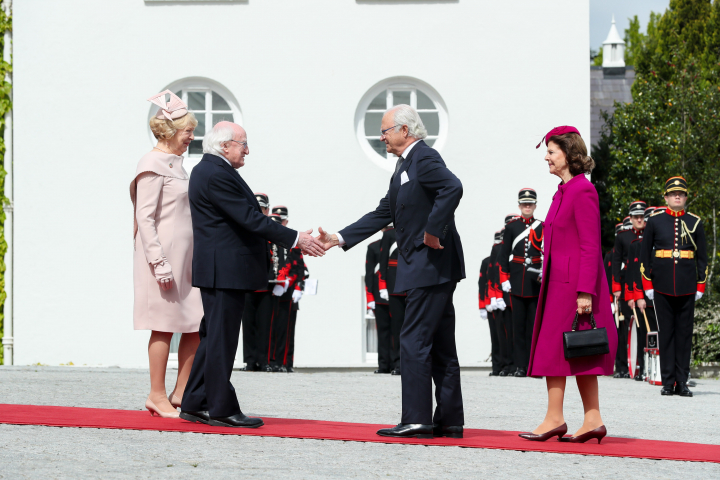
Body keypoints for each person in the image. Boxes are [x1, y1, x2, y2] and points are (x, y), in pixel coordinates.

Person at [318, 104, 466, 439]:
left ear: (405, 130)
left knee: (413, 340)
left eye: (385, 130)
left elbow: (452, 187)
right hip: (430, 267)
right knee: (441, 344)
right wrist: (339, 238)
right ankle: (449, 420)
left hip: (430, 263)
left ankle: (417, 419)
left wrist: (433, 229)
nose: (381, 136)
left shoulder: (423, 158)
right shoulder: (405, 164)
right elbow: (384, 210)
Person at [179, 122, 325, 428]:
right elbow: (249, 219)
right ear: (225, 145)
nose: (247, 150)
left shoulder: (213, 171)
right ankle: (220, 408)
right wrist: (296, 238)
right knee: (222, 339)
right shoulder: (215, 173)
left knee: (213, 337)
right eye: (243, 143)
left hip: (223, 268)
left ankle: (194, 402)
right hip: (225, 269)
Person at [520, 126, 617, 444]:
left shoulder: (583, 191)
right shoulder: (562, 192)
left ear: (569, 154)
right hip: (558, 284)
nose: (546, 157)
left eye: (551, 151)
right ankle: (588, 419)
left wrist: (585, 291)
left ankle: (560, 419)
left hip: (575, 286)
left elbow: (591, 245)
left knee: (571, 351)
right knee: (566, 353)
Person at [130, 90, 203, 418]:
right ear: (171, 131)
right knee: (163, 326)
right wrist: (158, 262)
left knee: (195, 324)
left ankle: (180, 392)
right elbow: (145, 218)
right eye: (188, 130)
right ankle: (156, 395)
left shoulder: (177, 164)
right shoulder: (152, 162)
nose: (192, 136)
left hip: (186, 259)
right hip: (161, 259)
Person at [640, 177, 707, 397]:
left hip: (687, 286)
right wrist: (647, 283)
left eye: (681, 193)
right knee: (666, 333)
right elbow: (644, 255)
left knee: (684, 335)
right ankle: (668, 382)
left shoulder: (695, 222)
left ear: (686, 197)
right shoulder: (655, 221)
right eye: (673, 193)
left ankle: (682, 381)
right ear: (666, 197)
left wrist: (700, 285)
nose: (677, 196)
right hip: (662, 285)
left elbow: (702, 258)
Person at [499, 188, 544, 377]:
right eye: (524, 203)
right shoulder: (512, 227)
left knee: (534, 328)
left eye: (530, 203)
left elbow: (547, 252)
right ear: (519, 205)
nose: (527, 206)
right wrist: (504, 279)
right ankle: (520, 366)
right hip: (517, 281)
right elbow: (503, 255)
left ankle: (534, 366)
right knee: (517, 327)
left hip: (535, 282)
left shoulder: (543, 226)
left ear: (535, 205)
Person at [611, 200, 647, 378]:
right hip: (626, 286)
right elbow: (616, 262)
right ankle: (622, 366)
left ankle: (641, 366)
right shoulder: (622, 236)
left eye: (642, 216)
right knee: (624, 326)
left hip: (647, 285)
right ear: (631, 218)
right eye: (636, 217)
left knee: (643, 328)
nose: (639, 219)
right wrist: (616, 287)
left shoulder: (651, 234)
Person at [241, 193, 273, 372]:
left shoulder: (271, 227)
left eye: (262, 208)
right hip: (247, 283)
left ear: (267, 209)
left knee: (265, 325)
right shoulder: (246, 225)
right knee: (248, 325)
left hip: (267, 284)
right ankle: (250, 361)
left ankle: (264, 360)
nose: (260, 211)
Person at [626, 206, 658, 380]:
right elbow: (635, 272)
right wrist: (635, 296)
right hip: (645, 295)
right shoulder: (637, 245)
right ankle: (645, 367)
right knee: (646, 331)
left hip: (664, 294)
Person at [378, 226, 406, 375]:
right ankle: (398, 363)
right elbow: (383, 260)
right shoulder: (389, 235)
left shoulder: (418, 227)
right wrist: (382, 285)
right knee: (397, 327)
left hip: (414, 284)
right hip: (394, 285)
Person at [366, 226, 393, 374]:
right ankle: (384, 364)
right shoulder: (373, 247)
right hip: (379, 296)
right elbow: (369, 274)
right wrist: (369, 297)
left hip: (397, 294)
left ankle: (397, 363)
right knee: (382, 331)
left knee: (397, 331)